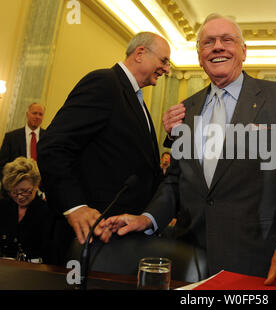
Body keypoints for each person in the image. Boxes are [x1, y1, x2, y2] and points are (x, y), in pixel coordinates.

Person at [103, 13, 276, 290]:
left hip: (260, 262)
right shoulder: (187, 108)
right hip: (189, 259)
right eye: (208, 42)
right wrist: (146, 218)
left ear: (243, 51)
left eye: (227, 40)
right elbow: (175, 181)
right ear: (200, 56)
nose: (218, 46)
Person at [36, 32, 170, 262]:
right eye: (164, 61)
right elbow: (53, 146)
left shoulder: (137, 101)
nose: (167, 69)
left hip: (122, 237)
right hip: (91, 239)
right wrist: (75, 206)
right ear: (140, 54)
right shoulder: (104, 83)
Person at [0, 157, 53, 262]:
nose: (19, 197)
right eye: (14, 192)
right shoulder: (3, 207)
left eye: (25, 191)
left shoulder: (47, 212)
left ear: (36, 185)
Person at [0, 103, 46, 182]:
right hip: (16, 184)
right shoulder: (11, 137)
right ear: (27, 114)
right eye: (34, 113)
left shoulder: (48, 137)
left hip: (41, 186)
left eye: (40, 114)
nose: (37, 117)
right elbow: (2, 164)